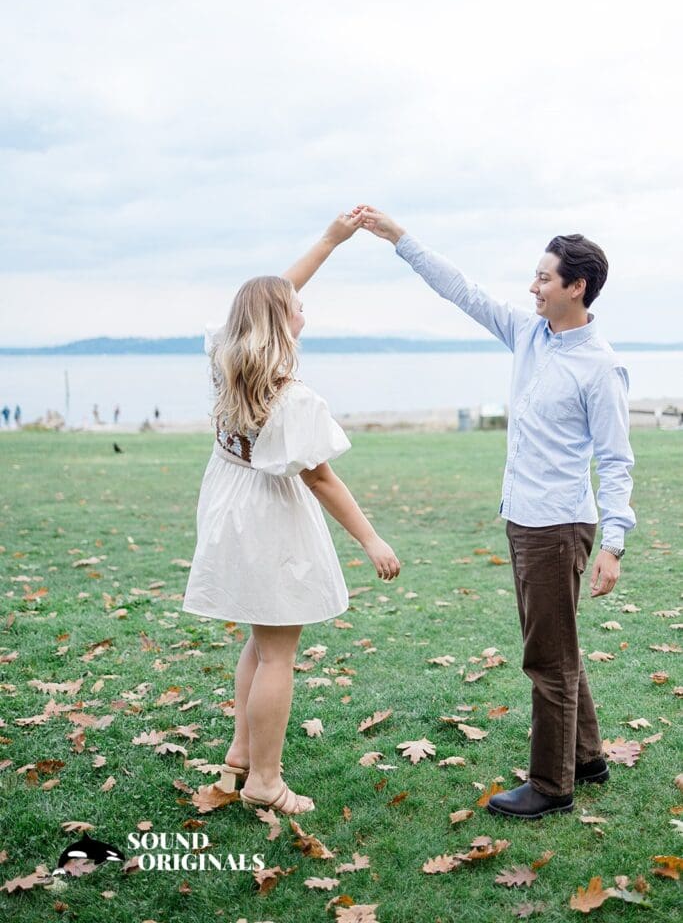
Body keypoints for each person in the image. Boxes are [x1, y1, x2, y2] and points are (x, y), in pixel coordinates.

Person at [359, 205, 635, 821]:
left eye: (543, 278)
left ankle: (552, 787)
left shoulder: (601, 366)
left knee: (547, 658)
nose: (532, 287)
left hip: (559, 526)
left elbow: (617, 462)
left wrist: (613, 544)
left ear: (576, 287)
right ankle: (586, 759)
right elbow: (464, 291)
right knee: (557, 645)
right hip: (525, 518)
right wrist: (400, 237)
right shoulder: (528, 333)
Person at [182, 212, 401, 816]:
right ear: (281, 322)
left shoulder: (226, 355)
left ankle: (240, 758)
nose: (305, 310)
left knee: (259, 639)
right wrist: (372, 540)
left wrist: (330, 241)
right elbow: (323, 479)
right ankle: (266, 782)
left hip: (230, 508)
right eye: (296, 308)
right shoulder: (294, 397)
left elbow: (266, 300)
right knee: (278, 651)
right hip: (271, 520)